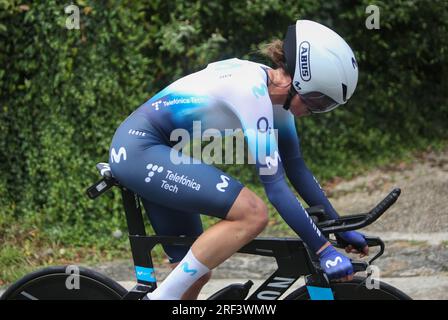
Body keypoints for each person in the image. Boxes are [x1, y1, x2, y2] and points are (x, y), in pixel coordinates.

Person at [109, 19, 368, 300]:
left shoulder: (277, 99)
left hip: (157, 151)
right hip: (139, 149)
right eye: (319, 102)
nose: (316, 111)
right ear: (301, 82)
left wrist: (338, 226)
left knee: (194, 275)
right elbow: (276, 187)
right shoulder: (251, 90)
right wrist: (322, 249)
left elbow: (297, 168)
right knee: (252, 213)